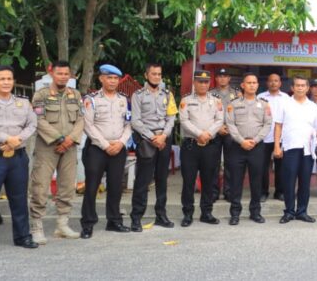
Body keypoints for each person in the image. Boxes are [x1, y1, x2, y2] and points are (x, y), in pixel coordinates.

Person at [0, 65, 39, 257]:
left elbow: (32, 124)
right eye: (2, 79)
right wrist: (7, 139)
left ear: (13, 81)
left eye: (9, 79)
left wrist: (18, 140)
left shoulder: (23, 102)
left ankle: (22, 236)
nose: (6, 82)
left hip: (18, 158)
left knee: (19, 198)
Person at [29, 60, 84, 243]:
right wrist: (59, 138)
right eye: (59, 73)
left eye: (65, 74)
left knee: (67, 186)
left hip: (69, 147)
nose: (62, 77)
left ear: (70, 76)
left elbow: (81, 120)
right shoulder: (41, 95)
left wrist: (69, 140)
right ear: (52, 73)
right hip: (47, 146)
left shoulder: (75, 94)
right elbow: (39, 119)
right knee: (40, 186)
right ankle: (37, 227)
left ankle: (62, 225)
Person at [80, 64, 132, 238]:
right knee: (92, 187)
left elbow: (129, 124)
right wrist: (105, 145)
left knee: (116, 186)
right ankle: (88, 224)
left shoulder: (124, 100)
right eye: (109, 77)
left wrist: (121, 143)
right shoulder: (92, 99)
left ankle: (114, 221)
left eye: (116, 78)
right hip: (97, 149)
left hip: (118, 148)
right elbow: (87, 125)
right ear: (101, 78)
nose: (112, 81)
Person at [129, 63, 178, 232]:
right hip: (147, 141)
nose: (157, 77)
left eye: (159, 74)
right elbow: (135, 121)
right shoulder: (138, 95)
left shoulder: (168, 94)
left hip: (164, 139)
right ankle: (136, 217)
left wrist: (163, 136)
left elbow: (171, 118)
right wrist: (152, 137)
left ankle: (161, 215)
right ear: (146, 75)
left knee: (162, 179)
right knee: (143, 180)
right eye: (153, 74)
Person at [274, 76, 317, 224]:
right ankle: (289, 212)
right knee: (289, 181)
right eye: (297, 85)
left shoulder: (313, 107)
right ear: (292, 88)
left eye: (303, 85)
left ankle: (302, 211)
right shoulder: (284, 104)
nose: (300, 88)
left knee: (304, 181)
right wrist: (277, 146)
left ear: (308, 88)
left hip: (307, 149)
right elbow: (278, 125)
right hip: (290, 147)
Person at [225, 72, 272, 225]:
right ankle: (235, 213)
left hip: (257, 147)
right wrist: (241, 141)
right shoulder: (233, 104)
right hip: (237, 147)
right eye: (249, 82)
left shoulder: (264, 105)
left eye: (254, 82)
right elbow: (230, 125)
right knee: (236, 182)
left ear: (258, 85)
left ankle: (255, 212)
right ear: (243, 85)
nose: (252, 85)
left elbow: (267, 124)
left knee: (256, 181)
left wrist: (255, 140)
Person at [178, 70, 224, 227]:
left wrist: (208, 134)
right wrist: (200, 134)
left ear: (209, 83)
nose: (203, 84)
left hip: (210, 146)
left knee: (209, 180)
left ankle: (206, 213)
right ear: (194, 83)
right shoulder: (186, 100)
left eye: (206, 82)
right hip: (191, 146)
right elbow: (184, 121)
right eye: (200, 81)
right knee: (188, 181)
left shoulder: (216, 101)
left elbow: (219, 120)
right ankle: (188, 214)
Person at [210, 68, 241, 203]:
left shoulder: (237, 94)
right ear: (216, 79)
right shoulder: (210, 94)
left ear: (229, 79)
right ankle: (213, 192)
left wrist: (229, 127)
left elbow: (240, 114)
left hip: (231, 132)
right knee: (213, 163)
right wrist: (217, 128)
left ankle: (228, 191)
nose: (222, 79)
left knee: (230, 163)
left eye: (225, 76)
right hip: (215, 132)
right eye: (220, 76)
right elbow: (207, 114)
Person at [258, 73, 289, 202]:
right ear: (267, 83)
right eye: (271, 81)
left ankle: (279, 192)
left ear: (280, 83)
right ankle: (263, 192)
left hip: (281, 137)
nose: (273, 83)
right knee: (262, 166)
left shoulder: (286, 98)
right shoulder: (260, 97)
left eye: (276, 81)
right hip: (263, 137)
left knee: (281, 167)